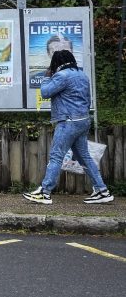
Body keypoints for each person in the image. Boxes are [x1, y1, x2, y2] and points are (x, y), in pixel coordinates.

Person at [23, 50, 113, 205]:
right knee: (84, 157)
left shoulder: (61, 76)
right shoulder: (82, 75)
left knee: (56, 156)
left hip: (68, 122)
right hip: (83, 121)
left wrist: (46, 77)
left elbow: (45, 92)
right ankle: (102, 190)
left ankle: (45, 192)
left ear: (56, 63)